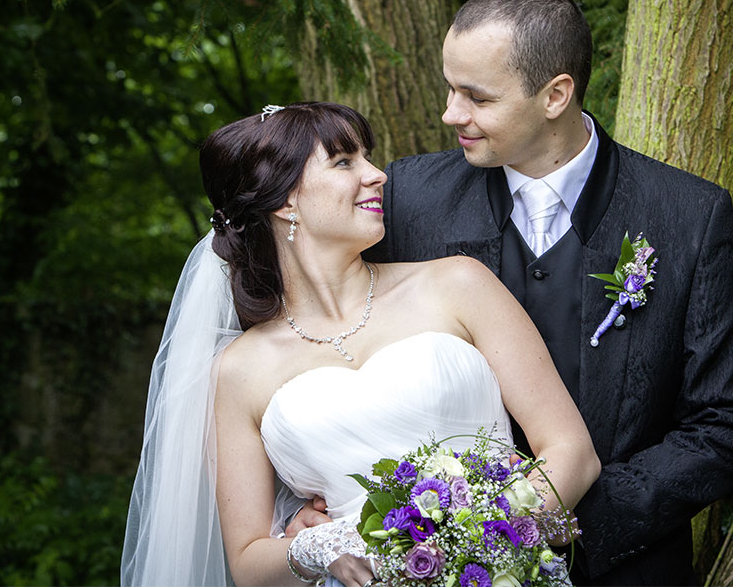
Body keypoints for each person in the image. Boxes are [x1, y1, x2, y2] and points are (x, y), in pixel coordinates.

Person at [121, 101, 600, 587]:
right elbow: (247, 564)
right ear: (285, 201)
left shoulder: (459, 284)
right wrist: (315, 546)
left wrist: (481, 543)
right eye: (345, 161)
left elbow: (572, 452)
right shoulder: (239, 371)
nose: (378, 176)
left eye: (367, 157)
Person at [361, 0, 733, 585]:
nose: (450, 113)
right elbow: (334, 337)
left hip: (627, 569)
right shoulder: (409, 200)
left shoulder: (691, 217)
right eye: (449, 88)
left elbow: (723, 421)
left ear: (555, 94)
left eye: (475, 97)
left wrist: (576, 520)